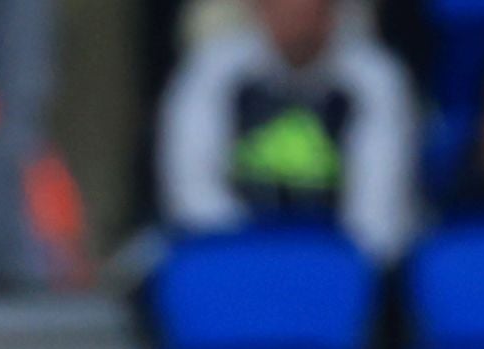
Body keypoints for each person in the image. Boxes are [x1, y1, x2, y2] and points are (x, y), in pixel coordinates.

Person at [158, 0, 418, 252]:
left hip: (336, 260)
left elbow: (378, 216)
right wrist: (261, 258)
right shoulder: (212, 69)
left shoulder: (376, 77)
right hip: (235, 255)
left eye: (310, 7)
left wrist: (327, 265)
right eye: (283, 6)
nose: (297, 16)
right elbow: (192, 195)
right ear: (260, 8)